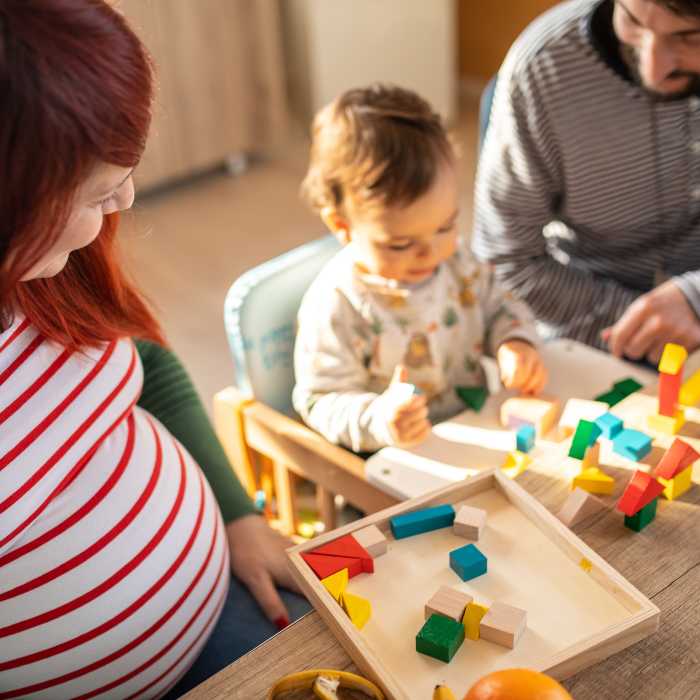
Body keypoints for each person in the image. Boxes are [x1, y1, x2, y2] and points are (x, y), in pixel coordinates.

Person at [0, 2, 308, 698]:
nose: (126, 200)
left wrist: (239, 513)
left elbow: (149, 367)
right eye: (97, 190)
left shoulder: (44, 276)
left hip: (228, 591)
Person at [292, 84, 547, 454]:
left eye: (446, 226)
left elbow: (501, 306)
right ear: (342, 226)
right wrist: (380, 419)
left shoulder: (458, 262)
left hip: (471, 434)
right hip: (395, 461)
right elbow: (320, 400)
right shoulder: (336, 303)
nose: (431, 252)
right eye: (400, 244)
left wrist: (515, 342)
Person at [473, 0, 700, 366]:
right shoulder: (543, 68)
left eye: (690, 36)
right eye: (632, 20)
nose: (653, 68)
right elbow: (505, 261)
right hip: (596, 324)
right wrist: (648, 325)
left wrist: (694, 299)